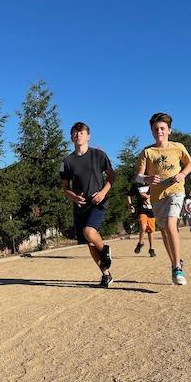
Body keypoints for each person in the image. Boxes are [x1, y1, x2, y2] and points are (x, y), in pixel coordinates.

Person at [135, 112, 191, 285]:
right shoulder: (147, 152)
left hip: (176, 191)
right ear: (151, 131)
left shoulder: (178, 147)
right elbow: (138, 176)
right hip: (157, 197)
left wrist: (182, 174)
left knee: (170, 225)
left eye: (162, 128)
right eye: (155, 129)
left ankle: (177, 268)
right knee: (164, 231)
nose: (159, 131)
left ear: (169, 130)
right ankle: (175, 262)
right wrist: (146, 178)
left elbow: (190, 163)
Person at [60, 122, 115, 288]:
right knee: (90, 244)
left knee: (89, 232)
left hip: (98, 202)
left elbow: (111, 176)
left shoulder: (98, 155)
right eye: (75, 133)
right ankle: (106, 274)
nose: (78, 135)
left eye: (81, 132)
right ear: (71, 137)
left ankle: (105, 250)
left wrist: (103, 193)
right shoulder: (67, 161)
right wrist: (74, 197)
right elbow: (65, 188)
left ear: (88, 136)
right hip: (80, 206)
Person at [127, 183, 156, 257]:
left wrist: (148, 196)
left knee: (151, 230)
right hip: (141, 209)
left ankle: (151, 249)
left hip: (152, 209)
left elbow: (157, 192)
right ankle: (140, 243)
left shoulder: (152, 182)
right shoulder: (136, 185)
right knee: (143, 226)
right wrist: (130, 205)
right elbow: (128, 195)